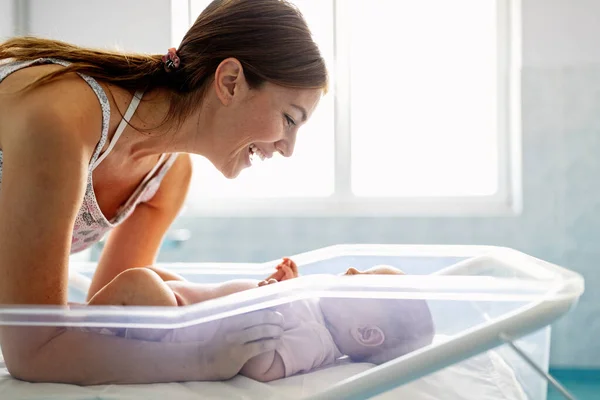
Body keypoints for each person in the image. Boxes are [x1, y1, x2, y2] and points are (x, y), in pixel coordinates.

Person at [0, 0, 327, 385]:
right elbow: (34, 351)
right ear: (230, 82)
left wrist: (243, 301)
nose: (287, 148)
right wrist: (200, 360)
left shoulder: (169, 174)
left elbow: (115, 313)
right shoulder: (64, 122)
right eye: (289, 119)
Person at [86, 258, 436, 382]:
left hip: (179, 326)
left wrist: (263, 305)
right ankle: (95, 315)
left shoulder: (316, 342)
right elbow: (291, 309)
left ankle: (72, 326)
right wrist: (288, 285)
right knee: (152, 273)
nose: (351, 269)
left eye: (363, 277)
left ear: (366, 333)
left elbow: (261, 367)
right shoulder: (319, 313)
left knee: (140, 282)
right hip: (190, 303)